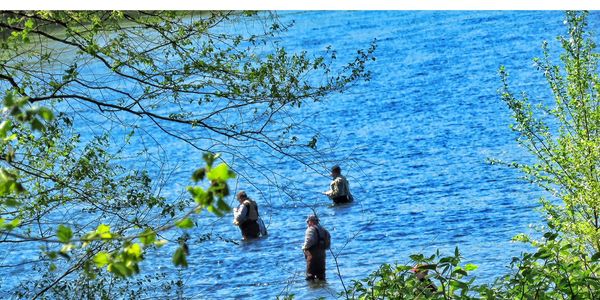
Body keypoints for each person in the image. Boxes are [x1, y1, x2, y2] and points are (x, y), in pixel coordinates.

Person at [302, 214, 330, 281]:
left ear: (311, 221)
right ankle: (321, 289)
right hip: (322, 255)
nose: (307, 224)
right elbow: (328, 243)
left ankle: (312, 289)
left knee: (310, 275)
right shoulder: (324, 230)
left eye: (307, 222)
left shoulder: (310, 229)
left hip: (312, 256)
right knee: (321, 275)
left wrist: (304, 248)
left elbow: (309, 241)